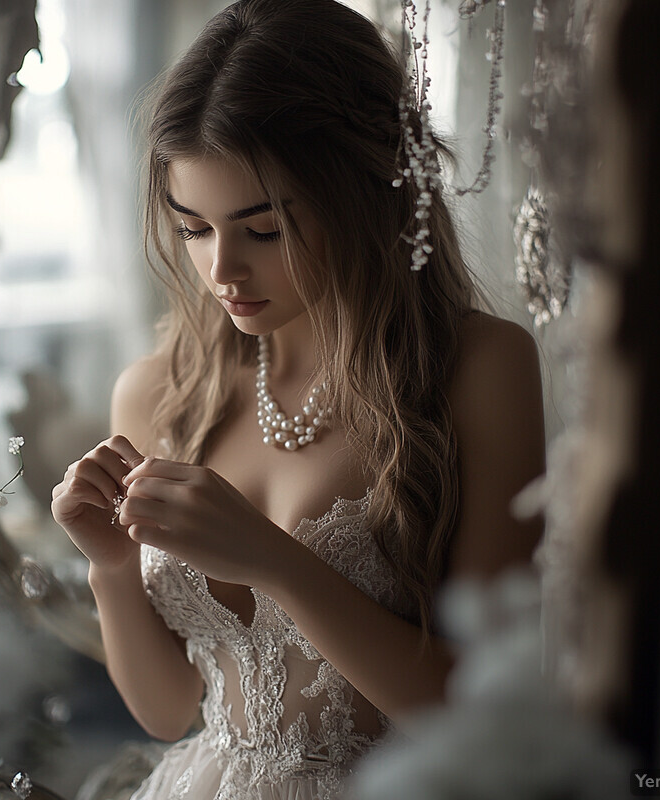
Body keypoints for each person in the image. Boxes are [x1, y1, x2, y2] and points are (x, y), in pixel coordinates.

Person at [51, 1, 546, 798]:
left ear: (364, 192)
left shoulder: (477, 368)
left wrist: (275, 563)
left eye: (265, 229)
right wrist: (110, 567)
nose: (222, 272)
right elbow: (169, 710)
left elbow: (477, 708)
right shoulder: (157, 395)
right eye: (194, 229)